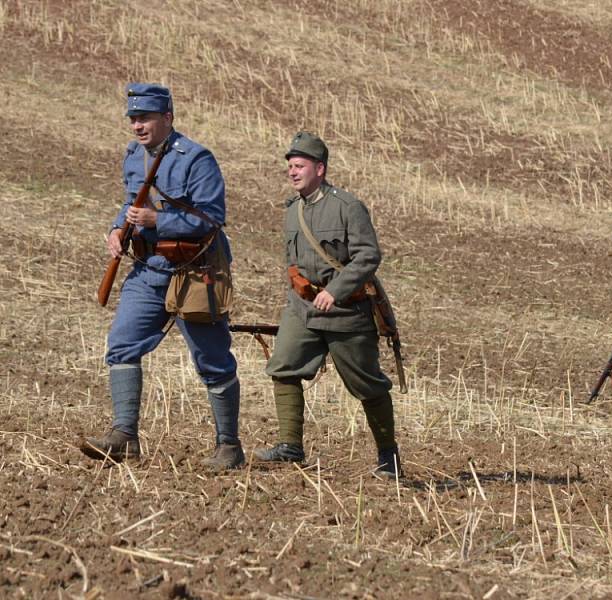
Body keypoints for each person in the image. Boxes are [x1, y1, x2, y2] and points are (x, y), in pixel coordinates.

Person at [80, 83, 243, 470]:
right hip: (149, 269)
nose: (137, 126)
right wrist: (118, 230)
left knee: (212, 360)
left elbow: (211, 217)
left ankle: (229, 446)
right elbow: (131, 203)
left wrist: (160, 220)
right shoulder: (133, 157)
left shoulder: (196, 158)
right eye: (133, 119)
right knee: (121, 344)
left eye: (145, 118)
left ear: (167, 118)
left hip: (194, 272)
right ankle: (124, 437)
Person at [253, 132, 401, 477]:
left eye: (299, 166)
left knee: (367, 384)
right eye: (289, 166)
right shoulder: (293, 211)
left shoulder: (347, 206)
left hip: (346, 312)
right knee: (283, 367)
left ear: (319, 168)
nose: (292, 172)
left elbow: (368, 256)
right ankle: (290, 446)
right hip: (302, 309)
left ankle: (389, 458)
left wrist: (335, 290)